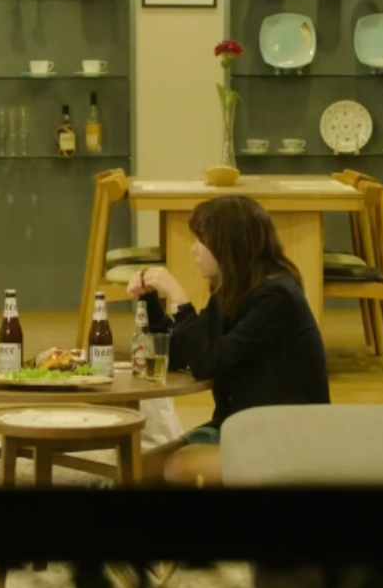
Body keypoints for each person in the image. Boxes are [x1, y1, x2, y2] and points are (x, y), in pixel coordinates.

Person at [129, 195, 331, 487]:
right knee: (134, 469)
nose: (194, 249)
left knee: (178, 468)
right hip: (236, 427)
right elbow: (180, 354)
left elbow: (208, 363)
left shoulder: (277, 296)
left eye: (202, 240)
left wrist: (179, 299)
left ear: (230, 244)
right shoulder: (230, 290)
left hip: (285, 438)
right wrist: (150, 299)